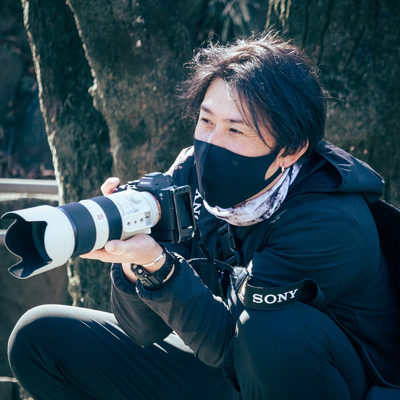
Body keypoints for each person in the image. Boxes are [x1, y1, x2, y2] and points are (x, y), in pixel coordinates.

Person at [8, 32, 400, 400]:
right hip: (225, 365)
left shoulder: (330, 221)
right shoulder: (190, 174)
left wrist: (161, 267)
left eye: (235, 131)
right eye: (206, 121)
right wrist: (133, 262)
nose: (211, 145)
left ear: (290, 149)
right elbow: (142, 331)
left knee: (270, 333)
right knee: (39, 339)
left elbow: (235, 343)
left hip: (316, 376)